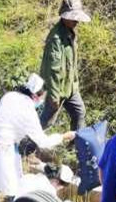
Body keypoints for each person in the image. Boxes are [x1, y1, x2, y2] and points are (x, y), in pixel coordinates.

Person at [0, 73, 75, 197]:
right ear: (35, 96)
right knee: (12, 186)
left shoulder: (10, 96)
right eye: (43, 97)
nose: (43, 101)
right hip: (3, 147)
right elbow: (43, 142)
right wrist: (64, 136)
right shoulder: (28, 109)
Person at [40, 0, 90, 131]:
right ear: (64, 16)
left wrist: (75, 84)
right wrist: (54, 96)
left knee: (79, 113)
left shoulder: (70, 32)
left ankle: (76, 144)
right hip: (58, 89)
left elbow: (71, 64)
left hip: (70, 88)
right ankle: (27, 146)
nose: (76, 21)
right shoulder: (56, 38)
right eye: (73, 18)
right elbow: (53, 70)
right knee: (47, 122)